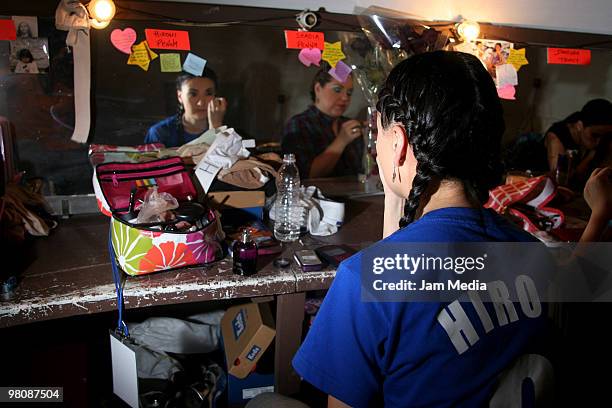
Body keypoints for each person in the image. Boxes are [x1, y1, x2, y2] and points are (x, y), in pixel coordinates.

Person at [292, 51, 559, 407]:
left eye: (379, 132)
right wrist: (395, 187)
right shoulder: (533, 253)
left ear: (399, 143)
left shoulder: (362, 279)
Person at [281, 64, 364, 178]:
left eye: (349, 93)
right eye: (337, 89)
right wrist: (341, 141)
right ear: (318, 89)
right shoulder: (299, 124)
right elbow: (305, 175)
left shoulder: (349, 125)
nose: (345, 98)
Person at [144, 68, 227, 147]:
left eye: (208, 93)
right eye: (193, 94)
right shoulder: (160, 132)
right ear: (180, 96)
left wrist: (216, 127)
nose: (201, 103)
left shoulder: (229, 130)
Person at [544, 98, 612, 177]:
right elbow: (561, 176)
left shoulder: (605, 138)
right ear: (579, 126)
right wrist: (590, 157)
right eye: (595, 135)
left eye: (606, 135)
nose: (599, 141)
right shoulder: (557, 136)